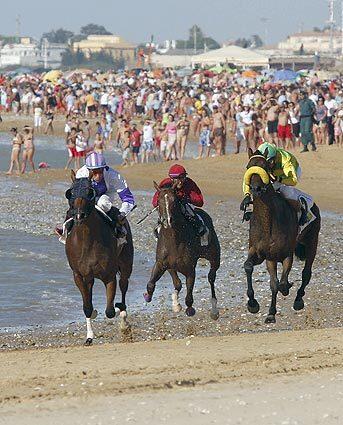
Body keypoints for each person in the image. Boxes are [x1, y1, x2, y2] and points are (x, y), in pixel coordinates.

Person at [55, 152, 135, 239]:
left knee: (103, 203)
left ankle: (116, 229)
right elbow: (76, 196)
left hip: (106, 193)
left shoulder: (114, 176)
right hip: (87, 195)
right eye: (94, 172)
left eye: (100, 171)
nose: (98, 175)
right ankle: (65, 228)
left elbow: (128, 198)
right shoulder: (81, 174)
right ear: (88, 170)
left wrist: (122, 213)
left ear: (104, 168)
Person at [240, 142, 313, 226]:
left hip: (290, 174)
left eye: (271, 161)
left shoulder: (286, 160)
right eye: (268, 162)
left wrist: (279, 179)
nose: (270, 164)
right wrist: (247, 195)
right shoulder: (260, 161)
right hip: (273, 174)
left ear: (274, 157)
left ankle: (304, 209)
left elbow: (293, 181)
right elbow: (249, 178)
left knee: (285, 191)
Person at [152, 164, 206, 237]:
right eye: (177, 179)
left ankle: (200, 234)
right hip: (167, 209)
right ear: (171, 178)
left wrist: (186, 198)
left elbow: (200, 202)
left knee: (190, 214)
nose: (180, 181)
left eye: (182, 178)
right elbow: (154, 202)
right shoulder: (165, 184)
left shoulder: (189, 183)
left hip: (185, 205)